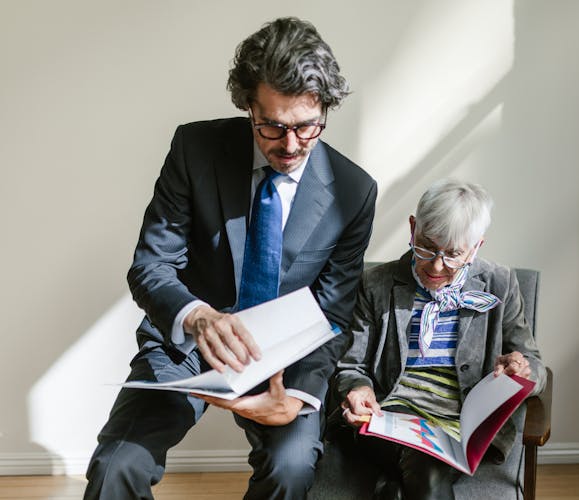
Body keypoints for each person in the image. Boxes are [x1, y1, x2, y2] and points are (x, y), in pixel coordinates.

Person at [84, 17, 377, 500]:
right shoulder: (194, 150)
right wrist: (198, 317)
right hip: (187, 347)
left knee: (290, 467)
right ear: (247, 106)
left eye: (307, 127)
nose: (289, 146)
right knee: (117, 465)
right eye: (273, 126)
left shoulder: (353, 191)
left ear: (325, 108)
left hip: (287, 360)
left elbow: (333, 313)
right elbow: (151, 265)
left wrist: (299, 397)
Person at [332, 179, 546, 500]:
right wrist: (357, 388)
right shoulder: (376, 284)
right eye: (427, 247)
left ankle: (390, 489)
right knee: (427, 472)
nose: (436, 265)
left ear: (476, 248)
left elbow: (536, 366)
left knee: (410, 480)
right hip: (387, 419)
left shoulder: (500, 284)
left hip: (459, 427)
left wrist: (523, 369)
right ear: (412, 227)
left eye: (453, 254)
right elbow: (351, 365)